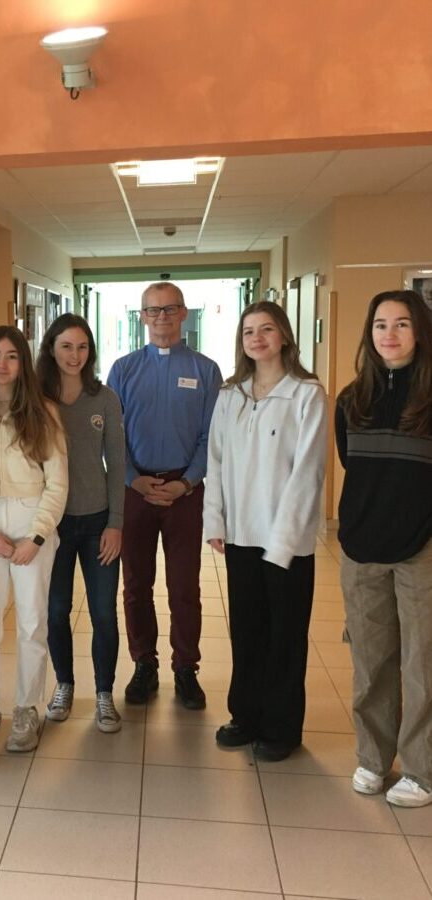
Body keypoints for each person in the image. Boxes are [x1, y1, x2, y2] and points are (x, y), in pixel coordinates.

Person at [204, 301, 327, 762]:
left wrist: (283, 541)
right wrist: (215, 520)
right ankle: (246, 715)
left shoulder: (306, 394)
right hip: (241, 535)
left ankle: (281, 727)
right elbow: (216, 461)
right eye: (248, 331)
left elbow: (308, 472)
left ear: (284, 336)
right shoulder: (231, 394)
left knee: (285, 636)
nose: (256, 338)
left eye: (266, 329)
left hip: (286, 542)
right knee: (247, 630)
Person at [336, 289, 432, 807]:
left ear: (420, 332)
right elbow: (353, 466)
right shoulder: (352, 400)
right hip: (362, 548)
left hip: (422, 550)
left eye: (401, 324)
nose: (389, 334)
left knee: (423, 662)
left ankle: (421, 769)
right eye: (380, 325)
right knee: (371, 661)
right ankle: (373, 758)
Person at [107, 282, 221, 710]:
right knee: (136, 585)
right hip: (134, 491)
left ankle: (186, 668)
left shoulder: (206, 370)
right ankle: (144, 664)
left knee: (184, 587)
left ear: (184, 313)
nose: (161, 317)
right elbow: (112, 435)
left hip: (184, 492)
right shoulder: (123, 370)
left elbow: (212, 436)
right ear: (142, 317)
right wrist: (132, 478)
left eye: (170, 309)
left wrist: (187, 481)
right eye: (153, 310)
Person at [0, 325, 68, 752]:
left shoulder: (44, 413)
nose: (2, 364)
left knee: (31, 623)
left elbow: (57, 483)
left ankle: (26, 708)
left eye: (11, 356)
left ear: (23, 363)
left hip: (32, 526)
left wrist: (37, 536)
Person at [36, 314, 125, 733]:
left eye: (83, 347)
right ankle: (65, 684)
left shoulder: (104, 398)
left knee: (104, 612)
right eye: (66, 346)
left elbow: (117, 464)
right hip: (53, 525)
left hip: (97, 524)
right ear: (51, 349)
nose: (75, 355)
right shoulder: (37, 398)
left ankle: (104, 693)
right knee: (56, 611)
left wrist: (116, 523)